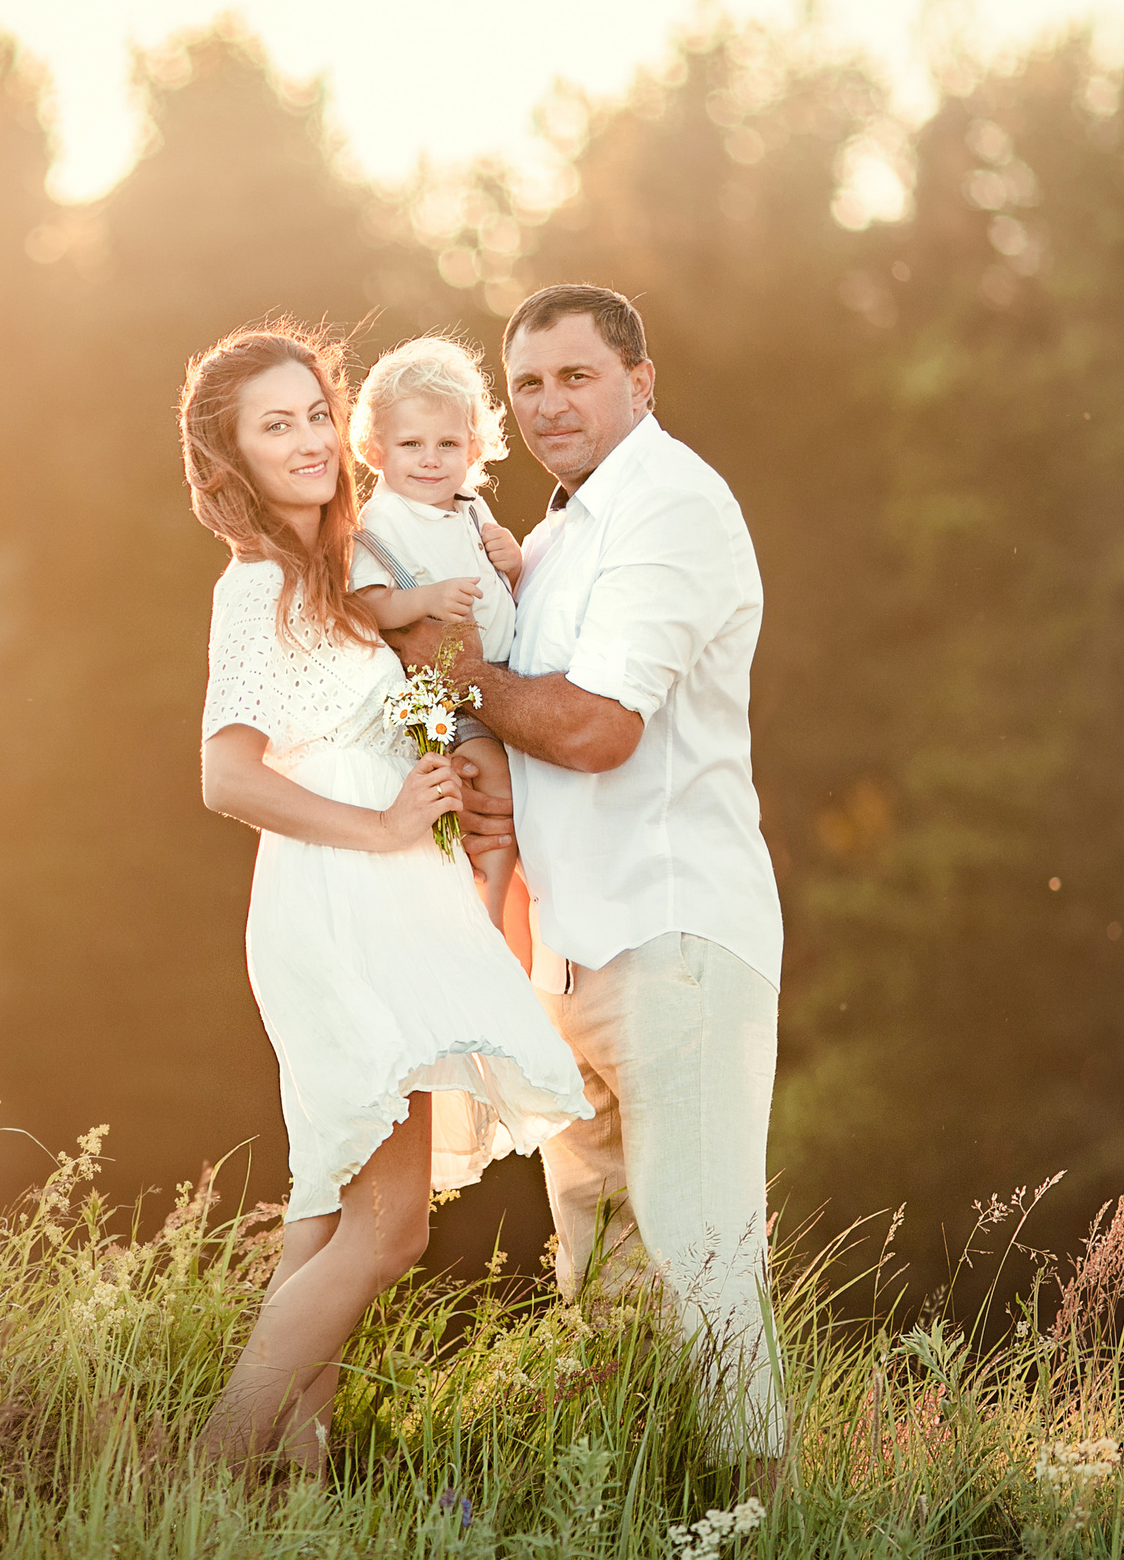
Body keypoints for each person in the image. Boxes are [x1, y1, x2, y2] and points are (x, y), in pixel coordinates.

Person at [384, 284, 788, 1468]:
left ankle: (766, 1531)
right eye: (527, 385)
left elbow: (602, 727)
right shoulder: (552, 537)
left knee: (706, 1262)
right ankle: (632, 1518)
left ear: (639, 381)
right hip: (567, 957)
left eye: (577, 376)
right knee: (599, 1284)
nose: (550, 403)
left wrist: (447, 668)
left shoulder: (671, 506)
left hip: (675, 943)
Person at [180, 323, 591, 1474]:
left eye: (315, 411)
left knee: (330, 1207)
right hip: (339, 897)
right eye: (276, 426)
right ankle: (208, 1464)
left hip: (391, 890)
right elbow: (224, 773)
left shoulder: (343, 571)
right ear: (232, 456)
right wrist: (380, 824)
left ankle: (288, 1483)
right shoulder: (259, 584)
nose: (309, 440)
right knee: (388, 1225)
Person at [345, 335, 531, 929]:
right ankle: (490, 913)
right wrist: (425, 599)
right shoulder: (380, 523)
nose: (430, 460)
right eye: (411, 445)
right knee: (493, 788)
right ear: (376, 450)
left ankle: (523, 914)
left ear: (474, 447)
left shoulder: (471, 509)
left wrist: (515, 562)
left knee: (536, 803)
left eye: (448, 444)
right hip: (454, 693)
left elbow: (506, 596)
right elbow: (369, 605)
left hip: (513, 677)